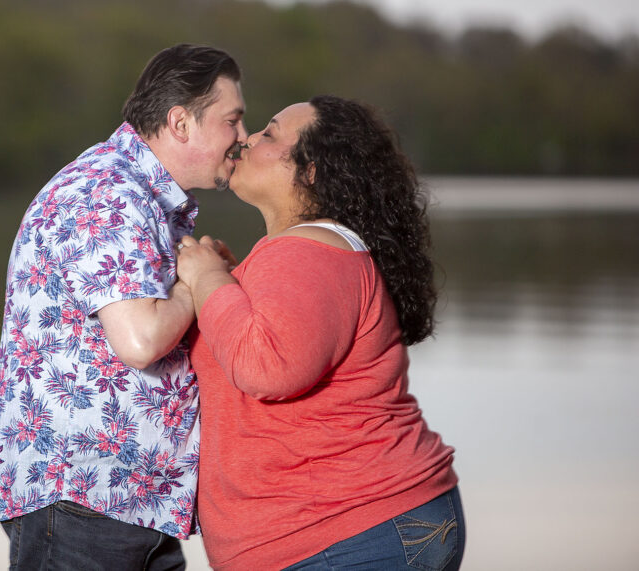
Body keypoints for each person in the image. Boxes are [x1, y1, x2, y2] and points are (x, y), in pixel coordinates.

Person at [0, 44, 248, 569]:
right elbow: (141, 340)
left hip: (122, 499)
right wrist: (197, 278)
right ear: (180, 122)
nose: (242, 136)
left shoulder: (137, 193)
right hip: (85, 498)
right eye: (232, 120)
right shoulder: (109, 193)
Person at [175, 95, 464, 570]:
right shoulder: (314, 249)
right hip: (368, 526)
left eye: (268, 134)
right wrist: (228, 282)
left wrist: (207, 279)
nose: (246, 140)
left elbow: (267, 367)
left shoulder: (306, 250)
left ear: (311, 171)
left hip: (342, 534)